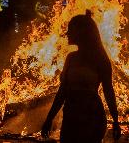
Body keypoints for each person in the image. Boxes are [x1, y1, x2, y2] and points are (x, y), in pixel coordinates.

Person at [41, 11, 121, 143]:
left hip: (92, 117)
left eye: (71, 29)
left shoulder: (101, 60)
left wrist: (116, 120)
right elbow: (62, 91)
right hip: (71, 117)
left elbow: (108, 91)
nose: (67, 34)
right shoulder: (70, 58)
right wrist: (49, 119)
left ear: (82, 32)